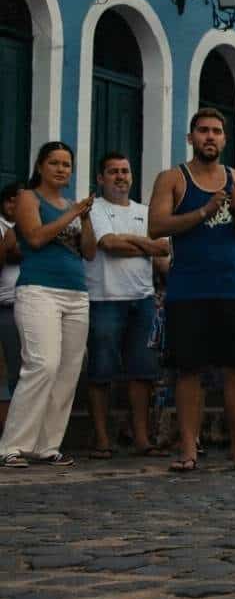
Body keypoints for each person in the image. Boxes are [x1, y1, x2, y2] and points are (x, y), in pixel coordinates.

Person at [149, 110, 235, 472]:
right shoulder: (172, 178)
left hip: (233, 288)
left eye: (217, 131)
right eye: (203, 131)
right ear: (191, 138)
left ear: (225, 139)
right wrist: (203, 211)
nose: (210, 137)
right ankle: (188, 449)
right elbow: (156, 226)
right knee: (189, 371)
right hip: (188, 289)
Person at [0, 143, 97, 468]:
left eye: (66, 164)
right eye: (54, 163)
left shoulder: (71, 204)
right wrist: (72, 214)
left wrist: (84, 220)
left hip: (76, 293)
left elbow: (90, 252)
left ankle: (46, 444)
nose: (61, 169)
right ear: (40, 166)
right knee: (42, 364)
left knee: (68, 371)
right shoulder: (30, 197)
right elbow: (36, 238)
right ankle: (12, 445)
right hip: (39, 289)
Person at [84, 152, 169, 458]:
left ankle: (142, 439)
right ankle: (102, 439)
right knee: (101, 370)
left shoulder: (145, 212)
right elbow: (109, 245)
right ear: (100, 178)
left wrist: (137, 244)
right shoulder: (93, 208)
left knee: (143, 372)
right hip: (105, 298)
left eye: (125, 171)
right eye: (113, 172)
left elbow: (163, 249)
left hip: (143, 299)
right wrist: (145, 245)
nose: (120, 176)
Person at [0, 183, 23, 433]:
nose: (15, 207)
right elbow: (11, 252)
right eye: (10, 201)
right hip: (6, 306)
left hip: (28, 305)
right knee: (10, 371)